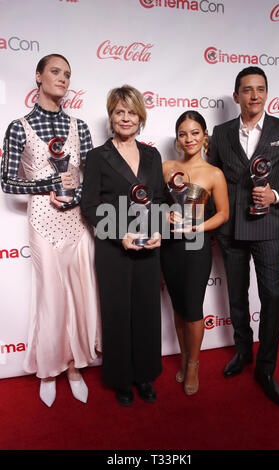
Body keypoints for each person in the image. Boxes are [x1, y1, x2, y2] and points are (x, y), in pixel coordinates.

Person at [1, 54, 101, 407]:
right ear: (39, 77)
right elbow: (7, 182)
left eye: (68, 74)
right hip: (43, 219)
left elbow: (94, 179)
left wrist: (78, 196)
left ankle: (74, 366)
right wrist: (48, 184)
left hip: (76, 220)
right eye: (55, 72)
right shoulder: (18, 127)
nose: (62, 79)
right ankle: (48, 370)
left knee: (79, 293)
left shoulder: (80, 127)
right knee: (51, 297)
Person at [209, 66, 279, 405]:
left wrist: (276, 194)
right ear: (237, 96)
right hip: (231, 227)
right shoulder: (220, 132)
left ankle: (266, 368)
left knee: (272, 298)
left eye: (260, 89)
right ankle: (243, 352)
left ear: (267, 93)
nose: (255, 95)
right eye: (247, 90)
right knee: (236, 296)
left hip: (268, 229)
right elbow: (212, 177)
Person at [80, 85, 164, 407]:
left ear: (140, 116)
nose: (125, 118)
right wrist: (119, 235)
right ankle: (120, 379)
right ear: (111, 117)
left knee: (146, 312)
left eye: (131, 112)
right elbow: (89, 206)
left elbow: (157, 199)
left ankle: (144, 375)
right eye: (119, 112)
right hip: (114, 248)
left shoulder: (153, 155)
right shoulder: (98, 156)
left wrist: (157, 231)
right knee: (117, 313)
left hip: (148, 246)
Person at [161, 110, 229, 395]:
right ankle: (184, 355)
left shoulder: (214, 173)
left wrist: (198, 227)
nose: (189, 138)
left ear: (204, 137)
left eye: (194, 133)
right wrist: (165, 215)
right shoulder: (165, 167)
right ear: (177, 139)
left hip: (195, 248)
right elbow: (152, 203)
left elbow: (224, 213)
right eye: (183, 134)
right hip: (169, 247)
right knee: (178, 306)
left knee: (193, 309)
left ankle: (193, 364)